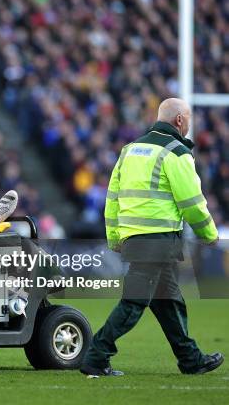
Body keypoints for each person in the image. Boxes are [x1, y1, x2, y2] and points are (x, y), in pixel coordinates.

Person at [80, 98, 224, 376]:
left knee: (168, 302)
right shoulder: (176, 152)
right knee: (134, 303)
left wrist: (114, 237)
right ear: (180, 120)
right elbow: (192, 202)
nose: (190, 123)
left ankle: (191, 359)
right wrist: (209, 233)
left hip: (136, 239)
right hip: (158, 240)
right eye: (189, 118)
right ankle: (95, 357)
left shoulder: (129, 150)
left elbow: (112, 198)